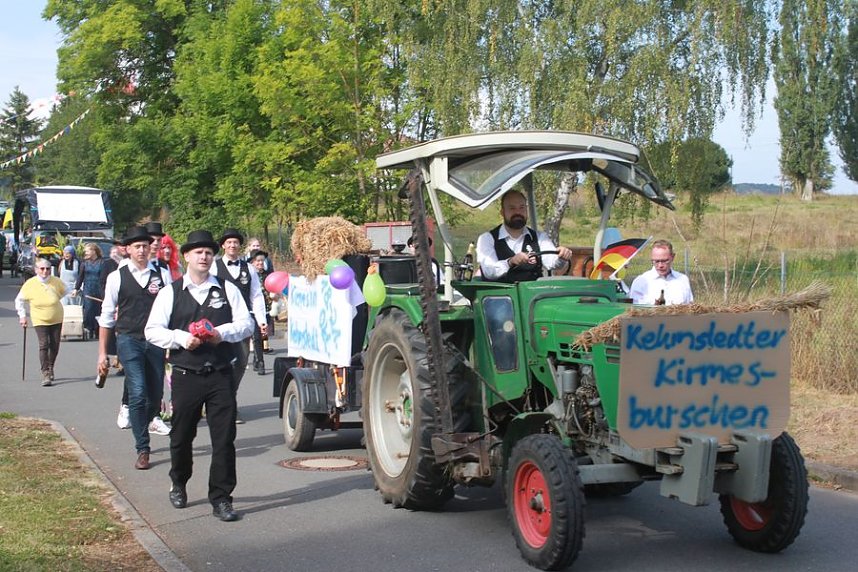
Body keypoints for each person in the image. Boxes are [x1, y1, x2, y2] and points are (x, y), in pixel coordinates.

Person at [144, 229, 254, 522]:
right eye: (198, 252)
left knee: (224, 439)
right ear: (187, 257)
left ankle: (221, 498)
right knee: (182, 436)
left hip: (220, 373)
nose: (204, 257)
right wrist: (181, 338)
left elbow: (246, 324)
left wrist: (221, 333)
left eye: (208, 252)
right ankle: (179, 482)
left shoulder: (227, 289)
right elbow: (152, 330)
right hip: (186, 374)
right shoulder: (171, 292)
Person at [97, 226, 173, 470]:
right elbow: (106, 316)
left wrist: (172, 342)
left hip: (156, 340)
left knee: (155, 395)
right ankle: (143, 448)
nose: (142, 250)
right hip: (128, 338)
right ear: (127, 249)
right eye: (137, 246)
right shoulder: (116, 277)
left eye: (145, 246)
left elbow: (172, 311)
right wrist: (102, 353)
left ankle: (149, 420)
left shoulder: (162, 274)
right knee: (138, 391)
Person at [211, 229, 268, 418]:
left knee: (241, 362)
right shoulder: (214, 267)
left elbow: (256, 295)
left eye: (235, 242)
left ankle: (229, 397)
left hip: (242, 324)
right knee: (220, 363)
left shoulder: (249, 269)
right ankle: (223, 404)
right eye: (229, 242)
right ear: (223, 246)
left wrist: (261, 320)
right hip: (219, 323)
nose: (232, 245)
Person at [476, 189, 574, 282]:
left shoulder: (540, 238)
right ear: (502, 212)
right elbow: (489, 271)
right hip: (500, 294)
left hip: (533, 293)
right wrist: (510, 262)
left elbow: (553, 263)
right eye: (512, 208)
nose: (518, 212)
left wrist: (562, 256)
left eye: (522, 207)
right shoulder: (487, 239)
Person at [15, 258, 66, 386]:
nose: (45, 271)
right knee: (44, 344)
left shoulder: (56, 281)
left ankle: (50, 366)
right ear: (36, 270)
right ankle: (45, 373)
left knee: (55, 345)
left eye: (47, 269)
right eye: (42, 269)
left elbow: (67, 292)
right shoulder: (30, 284)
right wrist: (22, 316)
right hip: (39, 318)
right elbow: (19, 300)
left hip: (56, 317)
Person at [629, 239, 694, 305]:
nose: (660, 265)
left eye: (664, 261)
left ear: (672, 257)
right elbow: (634, 309)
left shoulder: (683, 280)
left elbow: (690, 307)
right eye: (656, 261)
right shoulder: (641, 282)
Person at [73, 242, 105, 339]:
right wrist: (76, 289)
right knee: (89, 310)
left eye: (87, 251)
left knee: (99, 310)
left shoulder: (102, 262)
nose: (85, 253)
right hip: (88, 290)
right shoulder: (84, 263)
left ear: (93, 251)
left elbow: (105, 277)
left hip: (99, 290)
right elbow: (80, 277)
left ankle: (97, 330)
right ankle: (89, 329)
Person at [249, 249, 274, 368]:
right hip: (253, 309)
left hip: (266, 309)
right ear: (252, 262)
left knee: (263, 334)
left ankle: (256, 358)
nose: (260, 263)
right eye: (257, 261)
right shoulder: (249, 275)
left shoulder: (268, 275)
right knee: (256, 336)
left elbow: (274, 289)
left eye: (262, 261)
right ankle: (260, 362)